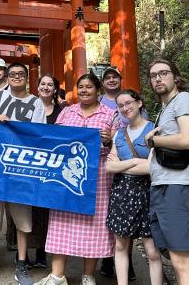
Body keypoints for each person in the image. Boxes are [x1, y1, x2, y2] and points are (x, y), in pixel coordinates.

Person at [35, 73, 116, 285]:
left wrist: (108, 142)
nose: (84, 90)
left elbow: (119, 149)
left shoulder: (110, 114)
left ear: (97, 89)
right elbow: (54, 140)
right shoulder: (67, 112)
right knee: (62, 224)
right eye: (81, 87)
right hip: (67, 180)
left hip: (97, 179)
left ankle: (88, 275)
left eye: (89, 86)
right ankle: (57, 275)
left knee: (94, 226)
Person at [0, 62, 46, 285]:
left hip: (21, 168)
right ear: (7, 76)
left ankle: (22, 264)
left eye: (20, 74)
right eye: (12, 74)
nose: (15, 77)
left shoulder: (36, 103)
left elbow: (39, 135)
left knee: (23, 219)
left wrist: (12, 124)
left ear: (27, 78)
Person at [144, 59, 189, 285]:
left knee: (182, 262)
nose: (158, 78)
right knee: (175, 260)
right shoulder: (165, 109)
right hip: (162, 186)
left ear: (175, 77)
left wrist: (153, 141)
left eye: (163, 73)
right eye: (153, 75)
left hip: (179, 186)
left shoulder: (184, 100)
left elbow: (187, 140)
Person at [105, 89, 163, 285]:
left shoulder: (154, 130)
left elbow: (153, 167)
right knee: (121, 245)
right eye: (120, 105)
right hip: (122, 193)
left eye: (128, 103)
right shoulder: (119, 135)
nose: (125, 108)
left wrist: (123, 165)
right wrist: (133, 163)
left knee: (152, 250)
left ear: (139, 103)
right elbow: (109, 166)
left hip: (149, 192)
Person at [99, 66, 139, 279]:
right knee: (108, 212)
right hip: (107, 161)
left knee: (128, 214)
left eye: (115, 77)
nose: (112, 80)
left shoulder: (130, 100)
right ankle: (107, 258)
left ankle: (128, 260)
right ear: (103, 82)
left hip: (130, 162)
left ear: (121, 80)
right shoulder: (99, 103)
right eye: (108, 78)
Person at [31, 74, 65, 268]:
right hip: (30, 164)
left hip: (52, 165)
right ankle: (23, 253)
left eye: (49, 84)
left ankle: (42, 252)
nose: (45, 87)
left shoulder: (62, 111)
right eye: (42, 83)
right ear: (37, 87)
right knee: (28, 208)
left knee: (46, 209)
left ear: (55, 89)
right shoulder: (28, 106)